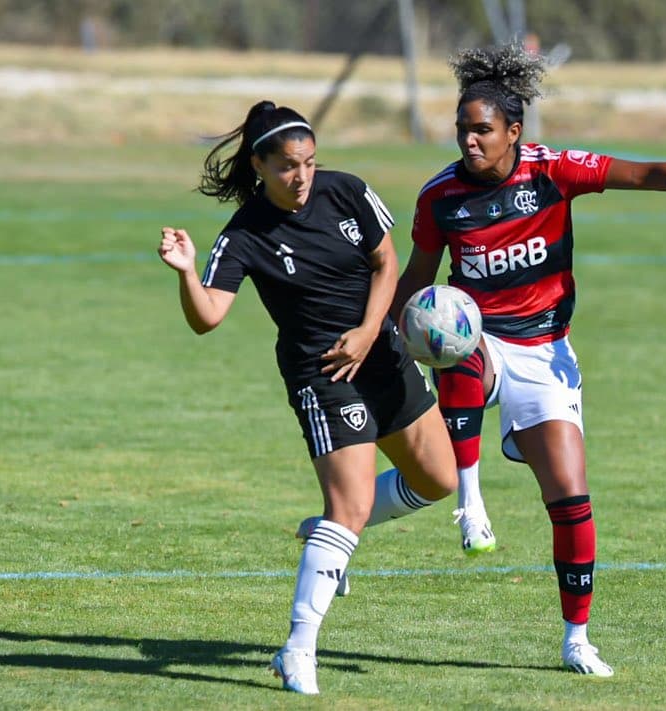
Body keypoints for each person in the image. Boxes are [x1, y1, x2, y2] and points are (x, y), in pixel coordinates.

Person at [384, 43, 666, 677]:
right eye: (462, 129)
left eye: (482, 130)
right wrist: (382, 329)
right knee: (459, 346)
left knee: (572, 500)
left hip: (545, 351)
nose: (469, 141)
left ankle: (575, 638)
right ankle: (470, 504)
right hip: (476, 337)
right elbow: (421, 276)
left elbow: (644, 174)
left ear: (514, 131)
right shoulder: (440, 197)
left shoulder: (553, 171)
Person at [158, 100, 459, 695]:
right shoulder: (244, 235)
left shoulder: (346, 192)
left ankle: (326, 532)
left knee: (438, 480)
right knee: (348, 508)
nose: (303, 177)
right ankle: (297, 648)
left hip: (382, 353)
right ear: (261, 165)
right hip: (322, 376)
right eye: (290, 166)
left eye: (311, 162)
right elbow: (208, 318)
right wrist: (187, 273)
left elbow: (385, 262)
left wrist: (372, 331)